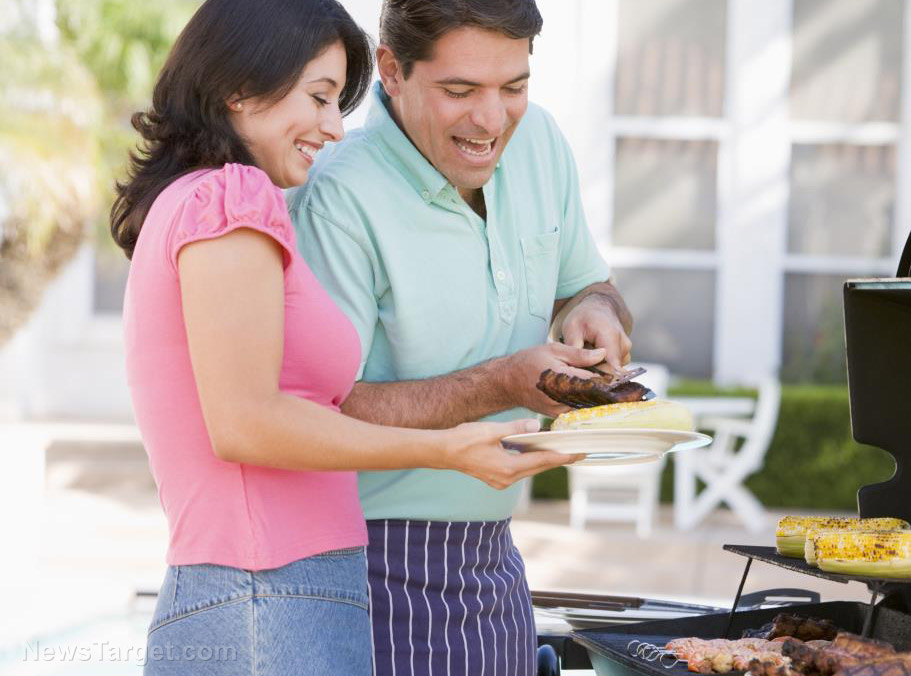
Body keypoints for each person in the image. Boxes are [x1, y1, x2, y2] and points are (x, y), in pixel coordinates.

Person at [110, 0, 577, 673]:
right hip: (265, 599)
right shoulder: (232, 200)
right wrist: (447, 449)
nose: (334, 128)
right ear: (240, 88)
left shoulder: (203, 202)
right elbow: (246, 424)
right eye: (319, 98)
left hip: (271, 592)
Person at [286, 0, 633, 674]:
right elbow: (322, 410)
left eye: (514, 87)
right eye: (460, 90)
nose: (492, 119)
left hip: (496, 558)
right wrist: (503, 384)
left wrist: (596, 312)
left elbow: (588, 286)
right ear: (392, 70)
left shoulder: (540, 143)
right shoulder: (338, 195)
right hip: (368, 563)